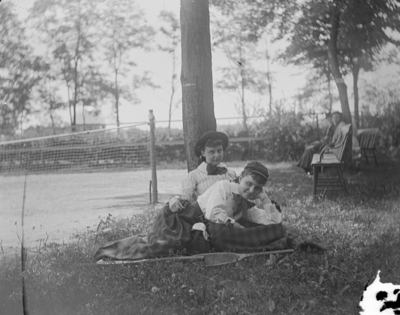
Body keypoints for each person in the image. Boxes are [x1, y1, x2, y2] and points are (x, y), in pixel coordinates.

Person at [94, 161, 287, 261]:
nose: (251, 190)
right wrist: (237, 225)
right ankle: (112, 250)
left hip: (204, 229)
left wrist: (265, 199)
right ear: (241, 178)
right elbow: (214, 214)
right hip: (185, 220)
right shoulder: (224, 187)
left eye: (257, 188)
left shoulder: (249, 203)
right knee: (159, 248)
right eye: (249, 184)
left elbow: (272, 222)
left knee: (273, 230)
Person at [169, 131, 237, 212]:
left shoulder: (230, 173)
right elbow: (185, 197)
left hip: (230, 214)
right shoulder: (194, 175)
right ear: (203, 153)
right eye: (212, 152)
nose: (217, 155)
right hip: (206, 216)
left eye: (219, 151)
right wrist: (174, 199)